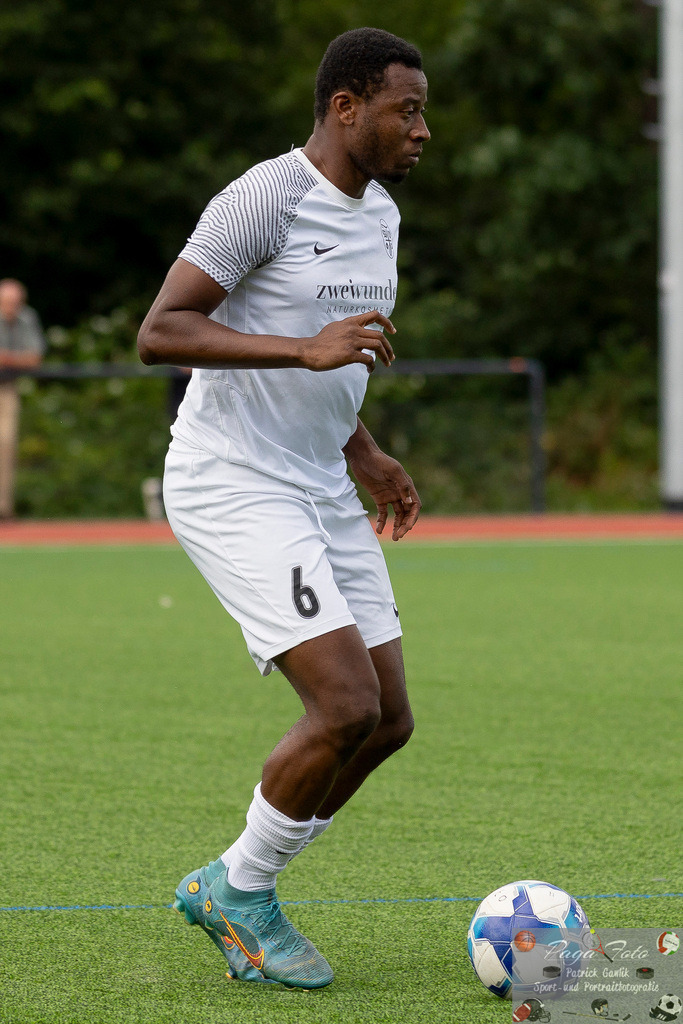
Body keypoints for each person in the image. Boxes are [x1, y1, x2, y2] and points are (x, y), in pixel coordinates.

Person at [137, 26, 429, 989]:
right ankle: (243, 891)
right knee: (342, 702)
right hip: (232, 478)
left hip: (316, 478)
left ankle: (235, 883)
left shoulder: (379, 214)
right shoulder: (262, 196)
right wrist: (301, 351)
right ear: (346, 108)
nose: (421, 130)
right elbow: (162, 331)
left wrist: (362, 449)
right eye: (407, 108)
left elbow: (338, 354)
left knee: (387, 719)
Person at [0, 279, 45, 519]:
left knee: (6, 444)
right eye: (6, 303)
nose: (11, 308)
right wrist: (16, 358)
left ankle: (3, 508)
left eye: (15, 303)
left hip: (7, 388)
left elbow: (35, 358)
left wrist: (6, 358)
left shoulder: (27, 318)